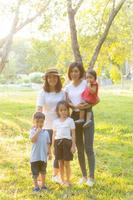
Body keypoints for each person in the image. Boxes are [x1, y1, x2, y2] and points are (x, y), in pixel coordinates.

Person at [65, 62, 95, 187]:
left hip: (87, 115)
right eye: (72, 71)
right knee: (80, 147)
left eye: (76, 71)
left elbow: (94, 98)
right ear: (69, 73)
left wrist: (86, 106)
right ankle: (83, 176)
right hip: (75, 117)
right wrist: (75, 106)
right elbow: (67, 102)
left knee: (88, 147)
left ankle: (91, 177)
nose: (74, 73)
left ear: (80, 72)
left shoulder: (86, 83)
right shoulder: (67, 87)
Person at [36, 68, 66, 183]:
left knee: (58, 151)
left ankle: (55, 175)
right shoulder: (42, 92)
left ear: (58, 78)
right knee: (43, 151)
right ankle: (40, 175)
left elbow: (65, 109)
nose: (52, 79)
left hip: (59, 126)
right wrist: (37, 125)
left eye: (54, 77)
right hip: (45, 126)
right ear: (46, 79)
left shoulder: (62, 93)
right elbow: (39, 109)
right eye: (49, 77)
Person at [52, 101, 76, 186]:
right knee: (60, 163)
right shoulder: (55, 122)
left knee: (67, 163)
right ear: (58, 112)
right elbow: (54, 135)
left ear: (68, 110)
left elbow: (73, 133)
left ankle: (68, 180)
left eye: (65, 110)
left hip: (67, 143)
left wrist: (73, 145)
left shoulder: (70, 121)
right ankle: (62, 180)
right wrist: (53, 147)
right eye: (61, 110)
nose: (63, 112)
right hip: (58, 143)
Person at [29, 112, 51, 193]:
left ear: (44, 122)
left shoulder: (46, 132)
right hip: (35, 157)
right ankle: (36, 186)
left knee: (43, 171)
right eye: (37, 122)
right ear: (34, 122)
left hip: (43, 156)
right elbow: (32, 140)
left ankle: (43, 185)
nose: (39, 124)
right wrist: (37, 132)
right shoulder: (32, 131)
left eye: (41, 122)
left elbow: (48, 143)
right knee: (35, 173)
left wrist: (50, 152)